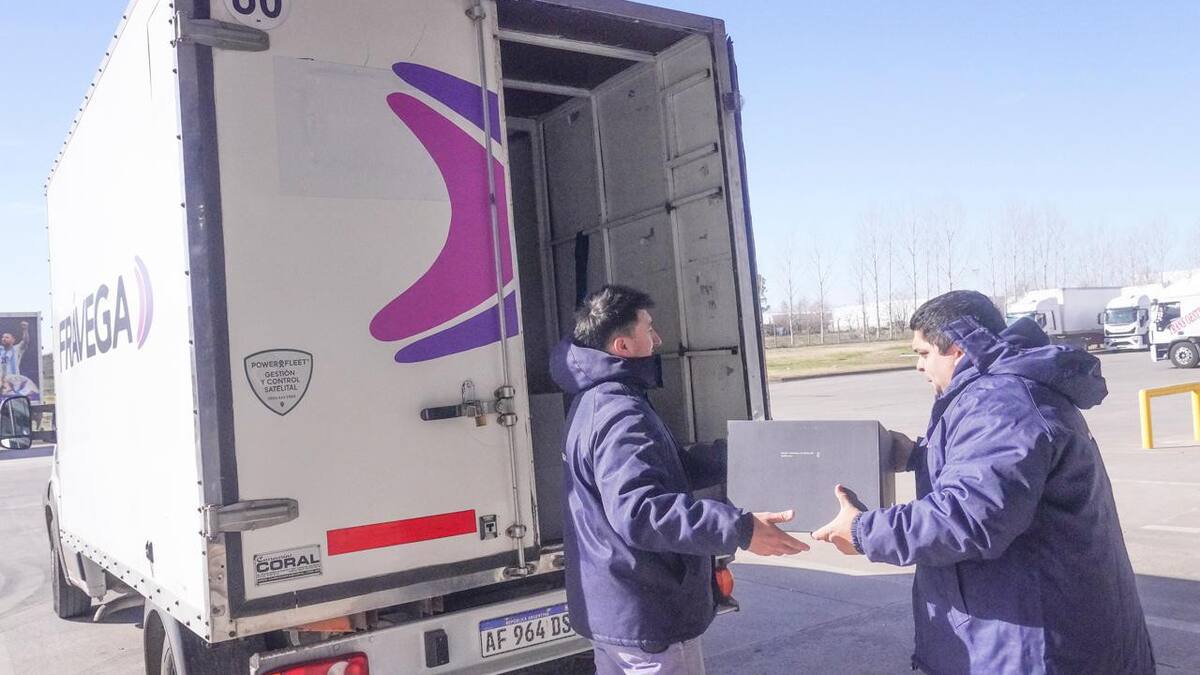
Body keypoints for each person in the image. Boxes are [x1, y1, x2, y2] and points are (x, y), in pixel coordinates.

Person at [813, 290, 1154, 674]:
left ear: (958, 349)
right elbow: (999, 477)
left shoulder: (1003, 403)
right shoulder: (998, 393)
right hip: (1030, 624)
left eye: (923, 353)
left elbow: (971, 517)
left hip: (1034, 646)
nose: (918, 366)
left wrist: (863, 531)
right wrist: (917, 456)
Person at [551, 285, 808, 675]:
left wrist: (741, 455)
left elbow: (666, 469)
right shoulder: (621, 412)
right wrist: (739, 528)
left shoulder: (595, 401)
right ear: (622, 345)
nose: (657, 339)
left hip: (619, 611)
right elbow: (641, 511)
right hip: (648, 617)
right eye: (648, 329)